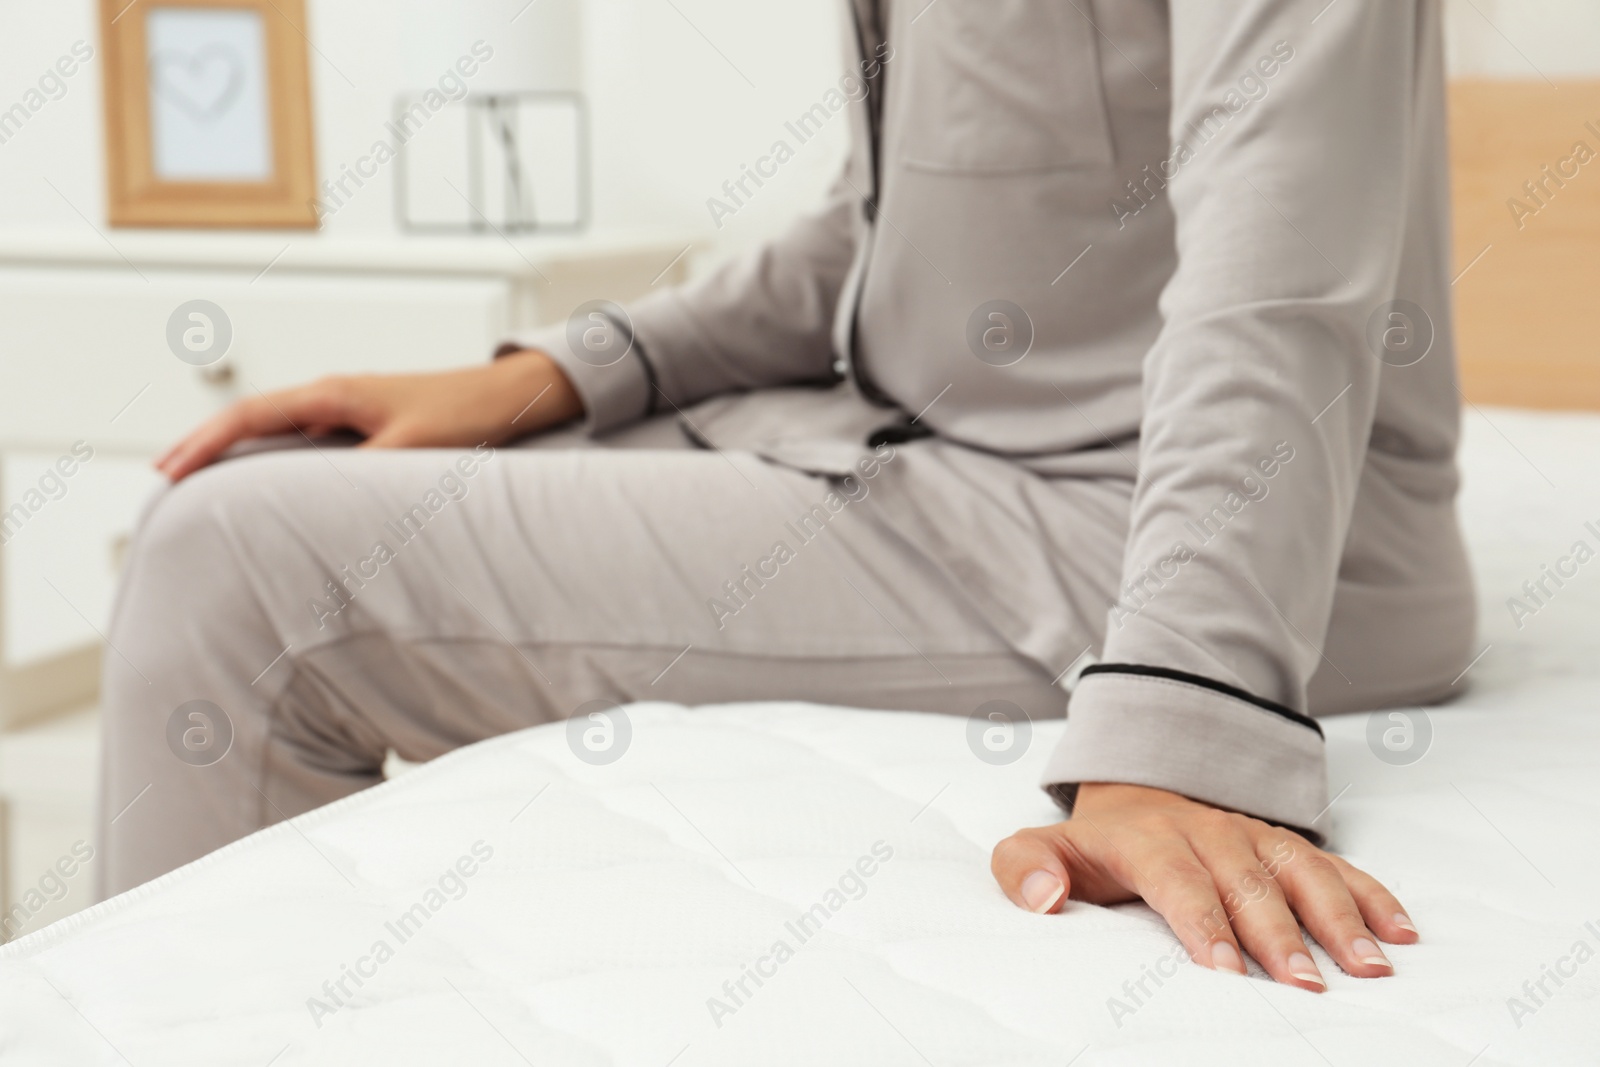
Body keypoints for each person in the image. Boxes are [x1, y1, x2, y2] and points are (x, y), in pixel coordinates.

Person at [100, 0, 1472, 992]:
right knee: (269, 492)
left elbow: (1275, 266)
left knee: (236, 565)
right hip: (947, 457)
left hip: (1189, 537)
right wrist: (558, 377)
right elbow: (877, 239)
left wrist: (1186, 725)